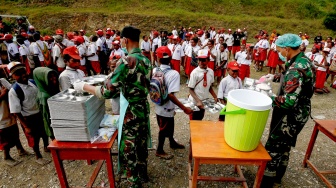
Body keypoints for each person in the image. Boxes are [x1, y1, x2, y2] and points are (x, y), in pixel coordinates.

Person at [74, 26, 152, 187]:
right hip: (143, 107)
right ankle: (143, 173)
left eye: (122, 39)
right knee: (141, 142)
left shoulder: (126, 62)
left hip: (131, 111)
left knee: (128, 147)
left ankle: (134, 182)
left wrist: (84, 87)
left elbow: (106, 92)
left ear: (126, 40)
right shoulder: (146, 59)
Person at [260, 34, 315, 188]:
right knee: (285, 146)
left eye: (279, 50)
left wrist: (268, 97)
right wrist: (277, 76)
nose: (279, 53)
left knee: (274, 148)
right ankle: (278, 179)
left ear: (287, 48)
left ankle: (267, 182)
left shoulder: (295, 69)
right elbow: (299, 81)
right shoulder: (304, 61)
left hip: (289, 116)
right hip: (301, 113)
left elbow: (288, 102)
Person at [153, 46, 193, 159]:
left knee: (170, 124)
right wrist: (184, 108)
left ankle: (172, 142)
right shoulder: (174, 74)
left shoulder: (155, 70)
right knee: (163, 128)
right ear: (170, 58)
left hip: (158, 104)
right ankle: (159, 150)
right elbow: (171, 94)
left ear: (158, 59)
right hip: (167, 106)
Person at [7, 62, 51, 165]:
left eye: (24, 72)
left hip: (39, 113)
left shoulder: (32, 82)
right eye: (18, 74)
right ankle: (38, 155)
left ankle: (46, 146)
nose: (23, 75)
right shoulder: (14, 91)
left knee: (44, 132)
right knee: (33, 137)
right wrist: (25, 126)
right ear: (13, 76)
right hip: (28, 117)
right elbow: (16, 111)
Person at [0, 78, 28, 166]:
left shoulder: (2, 80)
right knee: (5, 138)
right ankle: (6, 156)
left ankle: (20, 149)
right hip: (1, 117)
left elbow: (11, 89)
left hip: (9, 113)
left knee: (15, 132)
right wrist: (2, 95)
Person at [188, 49, 217, 120]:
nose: (201, 62)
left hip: (204, 101)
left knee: (200, 118)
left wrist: (215, 96)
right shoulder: (195, 73)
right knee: (194, 121)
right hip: (195, 102)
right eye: (199, 60)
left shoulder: (211, 72)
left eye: (203, 60)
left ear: (208, 60)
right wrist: (198, 101)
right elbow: (190, 89)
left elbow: (209, 86)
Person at [33, 67, 59, 140]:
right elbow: (47, 119)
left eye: (54, 76)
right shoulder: (44, 97)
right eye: (50, 77)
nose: (54, 78)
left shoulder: (51, 89)